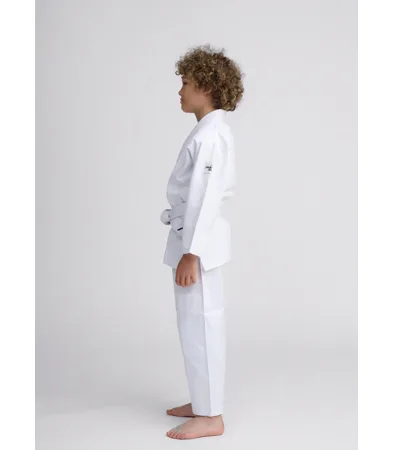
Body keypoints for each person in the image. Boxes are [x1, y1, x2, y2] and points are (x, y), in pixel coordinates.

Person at [160, 44, 244, 440]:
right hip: (192, 241)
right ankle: (202, 400)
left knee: (203, 325)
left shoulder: (212, 137)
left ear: (206, 87)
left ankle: (211, 417)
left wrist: (191, 253)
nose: (180, 91)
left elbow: (205, 199)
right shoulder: (207, 133)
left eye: (186, 82)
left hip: (200, 247)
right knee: (192, 326)